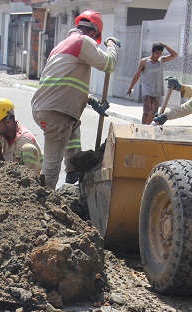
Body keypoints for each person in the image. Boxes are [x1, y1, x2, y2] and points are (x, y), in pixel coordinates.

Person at [31, 10, 120, 189]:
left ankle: (72, 170)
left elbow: (64, 85)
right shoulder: (82, 41)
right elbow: (108, 64)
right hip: (56, 112)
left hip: (46, 108)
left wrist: (90, 100)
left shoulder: (63, 44)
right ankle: (42, 203)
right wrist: (113, 46)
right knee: (51, 164)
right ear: (95, 33)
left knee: (73, 126)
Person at [0, 98, 43, 174]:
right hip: (10, 167)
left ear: (8, 122)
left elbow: (14, 168)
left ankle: (29, 184)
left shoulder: (23, 138)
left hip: (28, 174)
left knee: (28, 149)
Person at [126, 42, 179, 124]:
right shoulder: (145, 62)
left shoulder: (161, 60)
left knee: (153, 113)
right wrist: (131, 87)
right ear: (153, 52)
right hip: (147, 89)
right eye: (157, 53)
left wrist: (165, 46)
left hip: (157, 90)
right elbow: (137, 75)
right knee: (147, 110)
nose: (158, 55)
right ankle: (143, 127)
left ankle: (148, 127)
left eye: (160, 53)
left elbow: (174, 55)